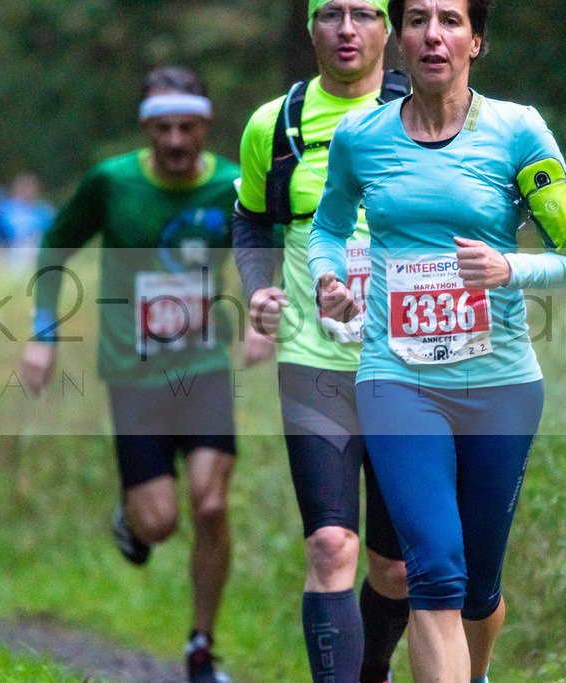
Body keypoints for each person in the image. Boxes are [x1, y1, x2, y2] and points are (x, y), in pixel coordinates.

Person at [309, 0, 566, 680]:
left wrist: (509, 267)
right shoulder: (361, 135)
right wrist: (327, 277)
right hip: (396, 378)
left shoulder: (518, 130)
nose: (432, 35)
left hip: (499, 384)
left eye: (451, 21)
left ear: (477, 41)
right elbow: (327, 227)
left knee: (477, 589)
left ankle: (477, 669)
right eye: (417, 20)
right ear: (399, 39)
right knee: (433, 568)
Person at [20, 66, 240, 683]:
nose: (175, 140)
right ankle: (130, 515)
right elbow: (55, 247)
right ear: (147, 128)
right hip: (133, 374)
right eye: (163, 128)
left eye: (187, 128)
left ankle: (201, 646)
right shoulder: (111, 182)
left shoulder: (232, 184)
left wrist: (265, 313)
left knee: (213, 501)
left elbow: (271, 246)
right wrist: (43, 335)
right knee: (160, 524)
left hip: (201, 367)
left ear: (205, 126)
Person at [233, 2, 412, 681]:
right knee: (332, 543)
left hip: (409, 367)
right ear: (308, 28)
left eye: (363, 14)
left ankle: (373, 669)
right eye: (328, 14)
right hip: (315, 361)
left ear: (387, 28)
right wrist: (258, 288)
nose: (345, 29)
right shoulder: (273, 126)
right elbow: (251, 220)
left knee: (394, 568)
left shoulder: (422, 112)